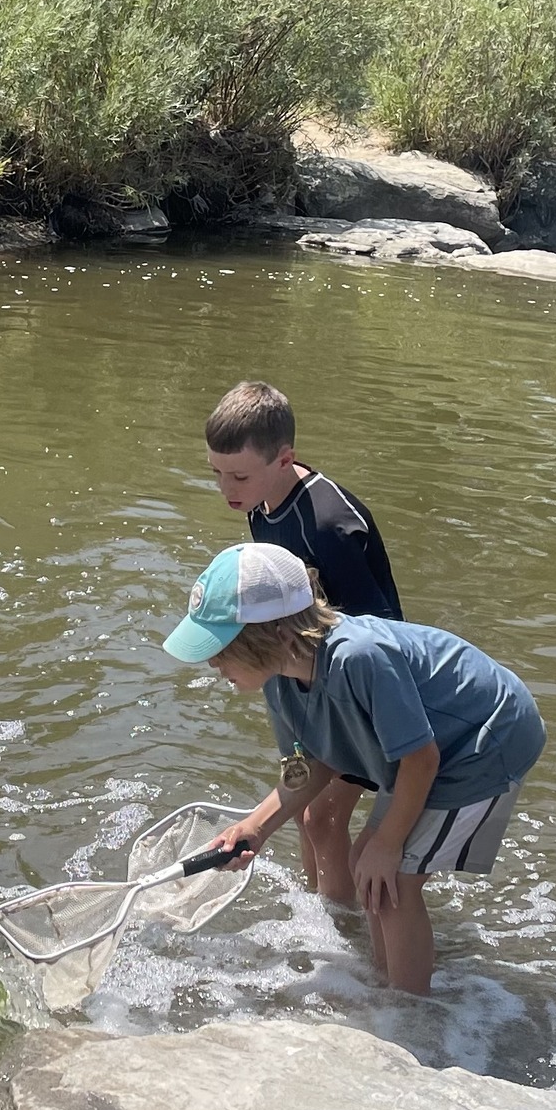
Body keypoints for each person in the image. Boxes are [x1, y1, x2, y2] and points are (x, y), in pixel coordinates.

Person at [162, 542, 543, 994]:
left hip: (484, 738)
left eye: (222, 648)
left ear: (275, 633)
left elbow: (421, 759)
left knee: (393, 875)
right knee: (370, 865)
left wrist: (388, 842)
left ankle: (410, 1014)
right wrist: (255, 827)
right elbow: (309, 764)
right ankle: (386, 982)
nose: (212, 663)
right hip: (428, 749)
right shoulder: (278, 679)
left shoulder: (358, 657)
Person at [205, 380, 402, 903]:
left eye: (239, 475)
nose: (227, 487)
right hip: (300, 677)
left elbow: (379, 630)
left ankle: (344, 941)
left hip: (356, 688)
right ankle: (318, 912)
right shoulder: (257, 502)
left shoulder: (331, 525)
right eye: (217, 474)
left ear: (284, 458)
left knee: (320, 814)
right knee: (303, 814)